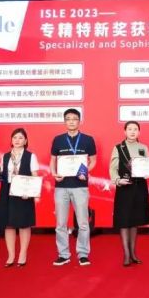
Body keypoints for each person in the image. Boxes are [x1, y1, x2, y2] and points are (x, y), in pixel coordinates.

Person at [50, 108, 97, 266]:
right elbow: (52, 160)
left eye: (74, 119)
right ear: (65, 121)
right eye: (68, 119)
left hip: (80, 186)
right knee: (61, 223)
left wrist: (85, 172)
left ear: (79, 121)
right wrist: (54, 173)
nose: (71, 121)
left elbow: (93, 160)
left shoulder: (88, 140)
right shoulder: (58, 140)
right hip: (61, 186)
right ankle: (63, 254)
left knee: (83, 223)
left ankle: (83, 254)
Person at [0, 128, 39, 267]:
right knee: (8, 224)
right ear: (11, 140)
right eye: (15, 137)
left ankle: (22, 254)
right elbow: (2, 175)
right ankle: (11, 255)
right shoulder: (5, 156)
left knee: (24, 224)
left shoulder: (30, 156)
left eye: (20, 138)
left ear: (25, 141)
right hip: (7, 192)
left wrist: (30, 192)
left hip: (24, 192)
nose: (17, 140)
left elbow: (35, 176)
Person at [110, 121, 149, 266]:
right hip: (124, 187)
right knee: (124, 221)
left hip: (139, 187)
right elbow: (113, 168)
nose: (132, 132)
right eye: (129, 129)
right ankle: (126, 255)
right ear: (125, 131)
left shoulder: (143, 148)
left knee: (135, 221)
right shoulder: (118, 148)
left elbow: (148, 166)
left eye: (135, 129)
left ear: (139, 132)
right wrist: (117, 180)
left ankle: (133, 253)